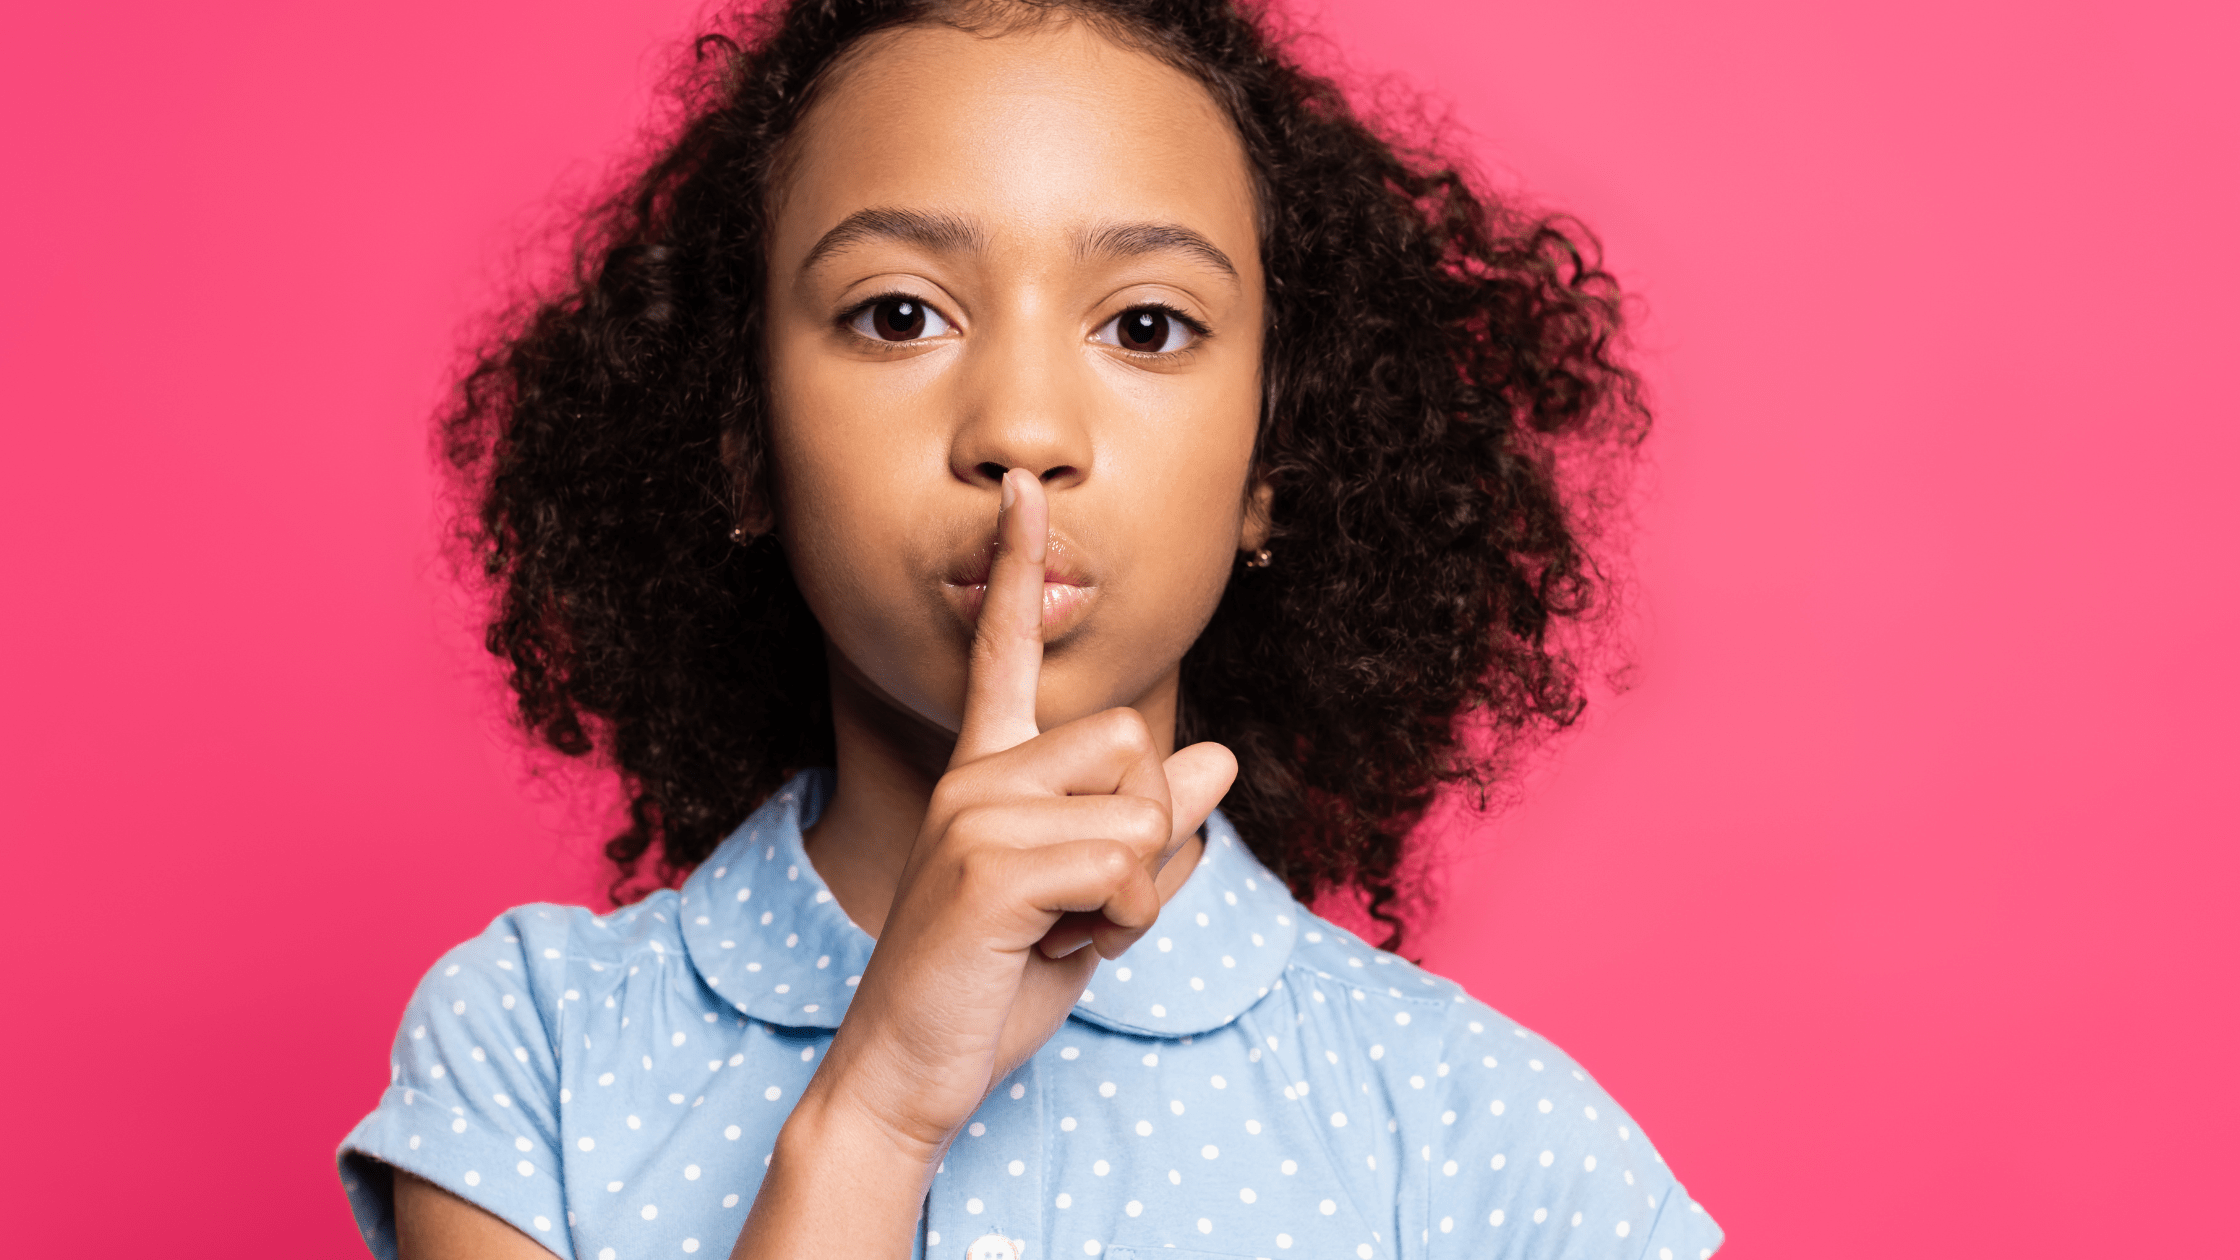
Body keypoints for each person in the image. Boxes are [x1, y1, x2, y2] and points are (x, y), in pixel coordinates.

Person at [337, 1, 1724, 1257]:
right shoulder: (537, 1056)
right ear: (745, 440)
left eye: (1148, 327)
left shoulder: (1497, 1150)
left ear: (1270, 471)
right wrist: (877, 1113)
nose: (1023, 433)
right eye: (898, 314)